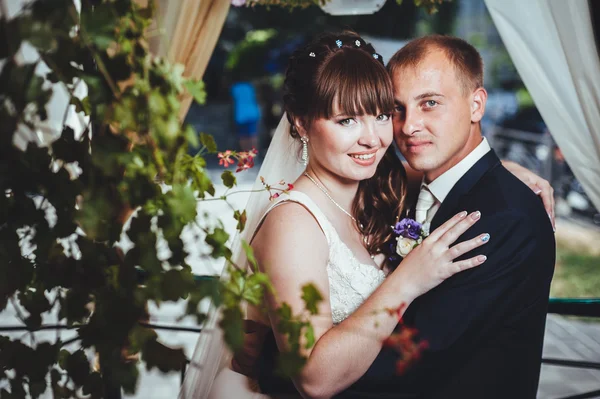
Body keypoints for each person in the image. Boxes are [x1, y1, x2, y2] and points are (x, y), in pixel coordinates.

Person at [181, 32, 554, 399]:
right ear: (300, 123)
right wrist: (405, 280)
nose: (377, 137)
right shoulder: (294, 222)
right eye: (346, 120)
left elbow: (455, 174)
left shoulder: (382, 187)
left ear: (476, 105)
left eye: (380, 115)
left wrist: (500, 171)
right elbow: (313, 378)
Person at [342, 35, 556, 399]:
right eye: (397, 109)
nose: (409, 126)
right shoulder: (407, 187)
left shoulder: (507, 218)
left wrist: (290, 367)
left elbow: (411, 363)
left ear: (476, 105)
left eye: (430, 103)